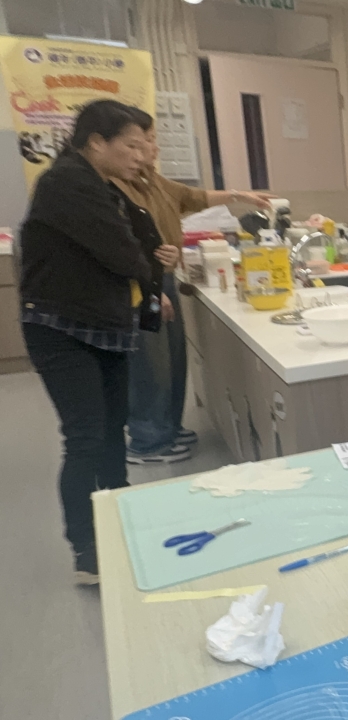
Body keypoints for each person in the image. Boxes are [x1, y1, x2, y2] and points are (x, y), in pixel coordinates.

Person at [19, 99, 180, 585]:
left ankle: (119, 517)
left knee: (113, 429)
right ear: (96, 142)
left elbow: (138, 244)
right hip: (62, 329)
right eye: (131, 146)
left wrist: (151, 270)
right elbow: (121, 251)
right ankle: (86, 551)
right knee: (86, 436)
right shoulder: (66, 182)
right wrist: (149, 271)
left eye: (144, 145)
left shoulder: (102, 185)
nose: (141, 155)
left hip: (104, 324)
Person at [114, 110, 273, 464]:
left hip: (165, 277)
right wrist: (151, 287)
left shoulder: (150, 180)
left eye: (151, 140)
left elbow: (193, 197)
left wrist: (240, 196)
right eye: (143, 142)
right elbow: (123, 245)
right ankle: (147, 440)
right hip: (144, 283)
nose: (152, 148)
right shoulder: (118, 188)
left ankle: (166, 427)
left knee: (171, 359)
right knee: (149, 364)